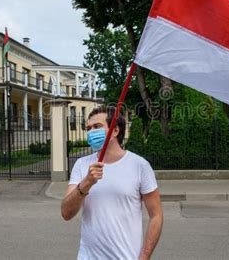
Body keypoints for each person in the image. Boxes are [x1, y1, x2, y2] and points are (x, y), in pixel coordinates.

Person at [62, 106, 163, 260]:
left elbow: (156, 215)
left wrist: (144, 256)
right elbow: (66, 213)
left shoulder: (139, 165)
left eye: (97, 127)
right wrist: (86, 183)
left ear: (115, 131)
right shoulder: (82, 165)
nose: (90, 132)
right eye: (88, 128)